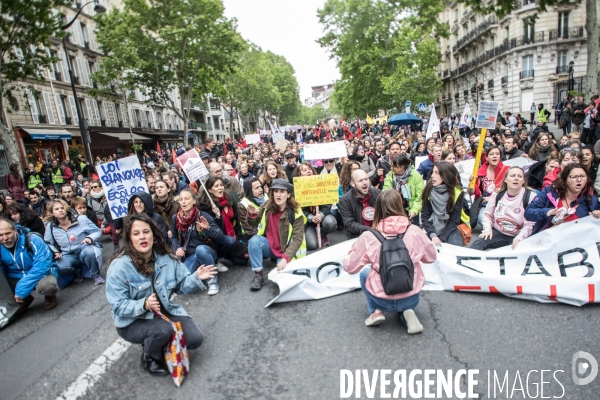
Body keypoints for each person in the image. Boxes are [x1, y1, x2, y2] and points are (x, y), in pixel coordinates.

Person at [106, 213, 216, 376]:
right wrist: (143, 304)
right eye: (136, 234)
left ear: (154, 235)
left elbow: (181, 285)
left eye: (146, 232)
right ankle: (149, 356)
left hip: (163, 311)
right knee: (163, 331)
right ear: (129, 239)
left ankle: (162, 342)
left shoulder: (166, 258)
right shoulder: (119, 267)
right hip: (132, 321)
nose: (142, 237)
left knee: (194, 339)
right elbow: (118, 306)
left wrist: (195, 278)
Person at [342, 190, 436, 332]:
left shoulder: (368, 236)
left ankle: (376, 311)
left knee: (364, 273)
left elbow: (349, 267)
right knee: (414, 272)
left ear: (377, 208)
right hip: (411, 296)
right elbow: (431, 257)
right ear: (400, 206)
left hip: (381, 299)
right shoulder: (414, 231)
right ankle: (407, 311)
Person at [247, 179, 306, 290]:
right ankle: (258, 275)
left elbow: (298, 239)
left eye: (282, 192)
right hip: (270, 246)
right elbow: (253, 223)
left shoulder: (296, 212)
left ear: (288, 194)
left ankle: (280, 260)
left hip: (286, 250)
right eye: (275, 191)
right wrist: (251, 214)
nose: (278, 195)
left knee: (283, 281)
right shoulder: (267, 206)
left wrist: (285, 258)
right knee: (254, 241)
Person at [0, 217, 62, 313]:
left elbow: (42, 265)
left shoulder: (33, 239)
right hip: (15, 276)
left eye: (8, 233)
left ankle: (50, 296)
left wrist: (21, 289)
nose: (5, 238)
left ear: (15, 230)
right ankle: (24, 300)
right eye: (0, 235)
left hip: (41, 272)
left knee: (47, 285)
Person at [171, 189, 224, 296]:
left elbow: (220, 236)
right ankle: (204, 269)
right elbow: (174, 237)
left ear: (194, 201)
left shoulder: (203, 216)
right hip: (190, 255)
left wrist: (208, 228)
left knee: (201, 249)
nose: (184, 202)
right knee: (184, 279)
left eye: (187, 198)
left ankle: (212, 282)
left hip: (207, 252)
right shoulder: (175, 218)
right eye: (181, 199)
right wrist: (177, 248)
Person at [470, 167, 535, 250]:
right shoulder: (497, 194)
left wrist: (520, 238)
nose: (516, 178)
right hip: (498, 232)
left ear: (523, 181)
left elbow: (530, 224)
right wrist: (487, 229)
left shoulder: (530, 196)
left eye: (519, 176)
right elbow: (487, 214)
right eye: (512, 176)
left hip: (520, 236)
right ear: (505, 179)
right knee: (478, 243)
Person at [526, 163, 600, 234]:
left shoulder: (592, 200)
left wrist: (597, 215)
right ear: (565, 179)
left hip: (576, 242)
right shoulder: (550, 192)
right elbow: (528, 213)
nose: (579, 180)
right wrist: (548, 212)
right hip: (547, 241)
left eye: (583, 176)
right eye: (574, 177)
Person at [44, 199, 104, 285]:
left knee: (90, 252)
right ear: (52, 213)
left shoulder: (81, 219)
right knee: (61, 266)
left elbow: (97, 231)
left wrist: (90, 237)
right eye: (57, 209)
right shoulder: (51, 226)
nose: (60, 210)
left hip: (84, 248)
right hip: (67, 253)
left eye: (62, 208)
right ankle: (77, 272)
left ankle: (95, 275)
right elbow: (48, 242)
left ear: (66, 209)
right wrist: (55, 252)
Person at [200, 176, 245, 267]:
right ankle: (217, 258)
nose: (220, 187)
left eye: (221, 185)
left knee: (243, 261)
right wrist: (217, 216)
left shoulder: (230, 199)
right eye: (216, 186)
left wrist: (238, 236)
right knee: (229, 241)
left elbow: (236, 219)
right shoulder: (206, 205)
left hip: (232, 234)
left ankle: (228, 253)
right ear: (210, 190)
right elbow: (216, 232)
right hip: (215, 239)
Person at [422, 162, 469, 246]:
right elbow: (425, 217)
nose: (432, 175)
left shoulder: (457, 192)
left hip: (451, 227)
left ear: (446, 175)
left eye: (436, 173)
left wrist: (442, 239)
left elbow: (454, 220)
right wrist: (433, 235)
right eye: (433, 172)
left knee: (454, 245)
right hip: (431, 227)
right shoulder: (428, 190)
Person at [293, 162, 336, 249]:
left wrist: (321, 214)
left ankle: (323, 234)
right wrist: (310, 218)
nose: (309, 171)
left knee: (330, 223)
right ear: (299, 174)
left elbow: (328, 202)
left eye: (309, 169)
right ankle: (312, 233)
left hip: (321, 215)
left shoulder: (321, 183)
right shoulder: (296, 189)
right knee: (312, 245)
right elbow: (298, 209)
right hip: (307, 221)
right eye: (305, 170)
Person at [469, 146, 510, 225]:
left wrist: (492, 198)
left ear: (500, 157)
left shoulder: (507, 170)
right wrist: (471, 183)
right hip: (486, 204)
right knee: (482, 219)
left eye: (497, 154)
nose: (495, 156)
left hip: (503, 202)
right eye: (491, 154)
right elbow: (471, 192)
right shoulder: (480, 173)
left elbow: (511, 191)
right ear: (487, 158)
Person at [339, 169, 382, 238]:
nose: (365, 183)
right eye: (360, 180)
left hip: (380, 233)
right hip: (359, 236)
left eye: (366, 179)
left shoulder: (378, 194)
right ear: (353, 184)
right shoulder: (345, 200)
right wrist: (370, 230)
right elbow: (349, 224)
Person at [382, 155, 424, 224]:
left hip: (411, 210)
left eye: (394, 166)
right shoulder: (390, 175)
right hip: (395, 211)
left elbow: (420, 196)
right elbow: (386, 192)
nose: (391, 168)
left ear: (402, 167)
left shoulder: (415, 176)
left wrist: (414, 210)